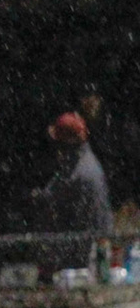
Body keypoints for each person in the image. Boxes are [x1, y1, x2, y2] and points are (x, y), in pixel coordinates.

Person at [31, 111, 115, 259]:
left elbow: (54, 203)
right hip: (81, 250)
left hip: (78, 257)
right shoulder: (80, 163)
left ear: (67, 143)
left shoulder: (79, 171)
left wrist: (37, 198)